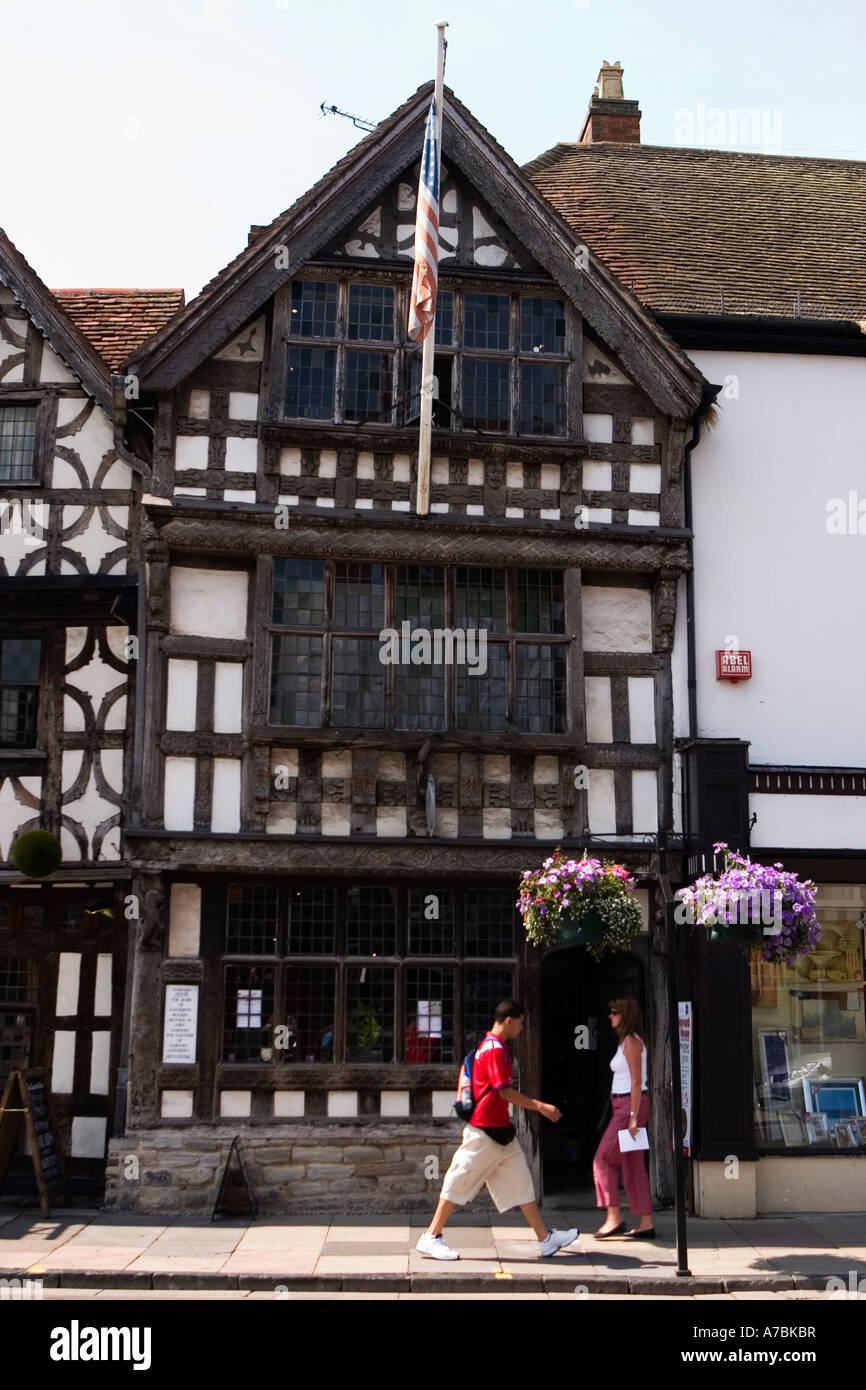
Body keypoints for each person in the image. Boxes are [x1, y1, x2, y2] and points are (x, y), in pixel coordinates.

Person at [415, 999, 580, 1261]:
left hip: (500, 1132)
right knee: (458, 1180)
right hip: (484, 1131)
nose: (523, 1028)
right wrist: (540, 1106)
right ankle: (431, 1237)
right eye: (521, 1023)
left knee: (522, 1184)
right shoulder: (494, 1049)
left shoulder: (491, 1046)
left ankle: (545, 1239)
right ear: (508, 1021)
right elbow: (503, 1091)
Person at [593, 996, 655, 1239]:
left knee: (603, 1159)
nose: (610, 1016)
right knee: (633, 1164)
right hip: (628, 1105)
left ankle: (613, 1217)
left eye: (614, 1011)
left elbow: (637, 1081)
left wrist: (631, 1117)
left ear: (626, 1015)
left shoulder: (631, 1043)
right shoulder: (627, 1042)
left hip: (629, 1105)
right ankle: (646, 1221)